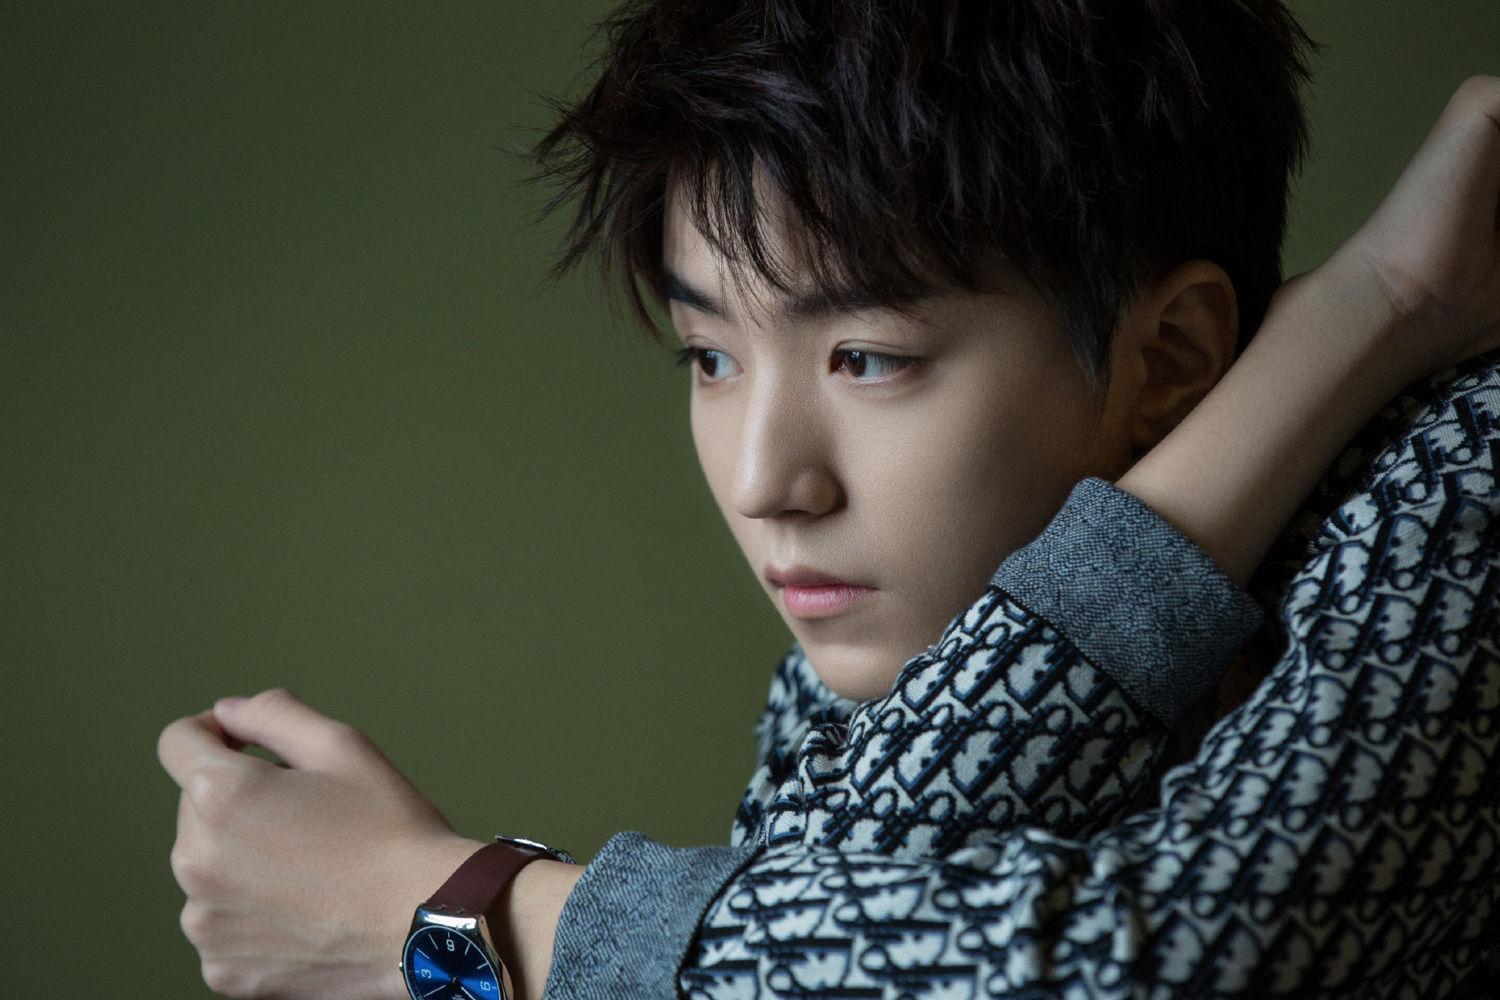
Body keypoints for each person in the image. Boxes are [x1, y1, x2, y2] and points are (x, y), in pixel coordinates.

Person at [156, 1, 1500, 996]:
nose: (764, 484)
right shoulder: (891, 620)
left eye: (866, 358)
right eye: (710, 357)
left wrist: (452, 910)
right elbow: (825, 904)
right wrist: (1348, 327)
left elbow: (1157, 970)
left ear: (1172, 358)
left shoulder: (1463, 477)